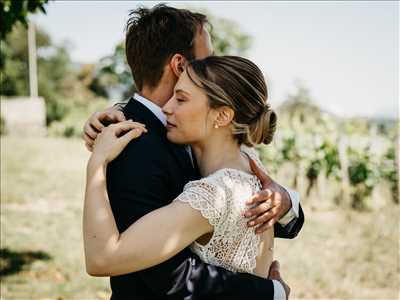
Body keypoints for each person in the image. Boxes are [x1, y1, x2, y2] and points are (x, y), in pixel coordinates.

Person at [83, 5, 304, 300]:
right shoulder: (133, 144)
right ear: (180, 65)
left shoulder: (203, 135)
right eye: (208, 57)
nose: (215, 65)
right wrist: (270, 293)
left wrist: (285, 201)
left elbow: (244, 219)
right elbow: (165, 275)